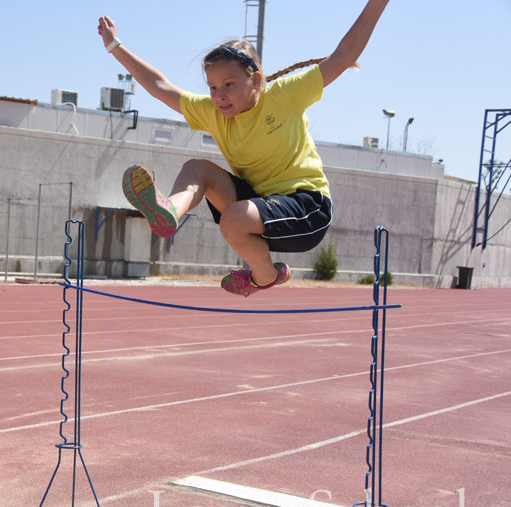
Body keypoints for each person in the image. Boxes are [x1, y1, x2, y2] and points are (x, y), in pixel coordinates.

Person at [98, 1, 388, 296]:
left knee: (233, 217)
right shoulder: (212, 111)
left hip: (307, 209)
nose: (219, 96)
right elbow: (160, 86)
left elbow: (344, 55)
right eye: (212, 87)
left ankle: (264, 276)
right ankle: (170, 210)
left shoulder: (284, 95)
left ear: (256, 81)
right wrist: (114, 46)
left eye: (228, 85)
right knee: (197, 168)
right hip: (260, 207)